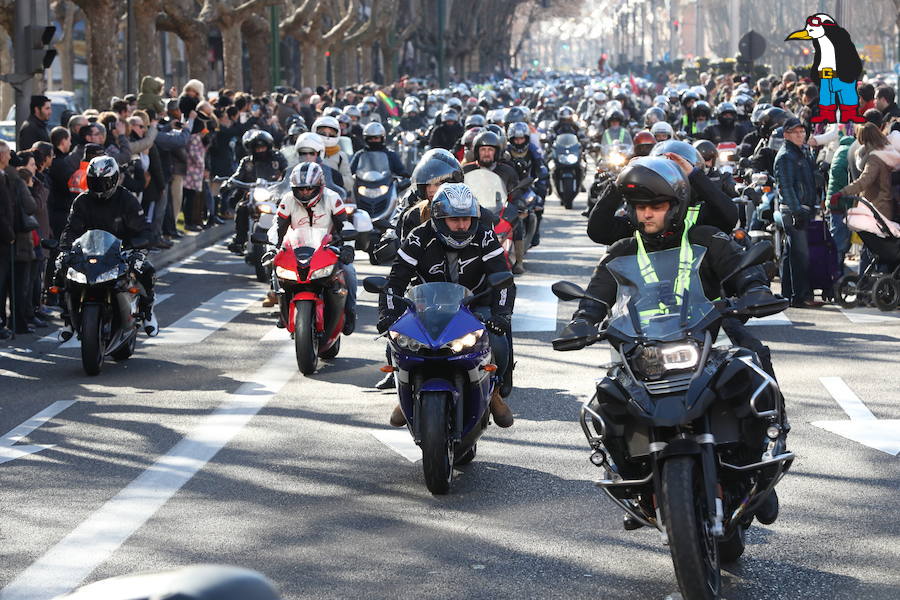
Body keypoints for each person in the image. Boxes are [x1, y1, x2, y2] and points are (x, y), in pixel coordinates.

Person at [558, 157, 784, 525]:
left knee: (751, 365)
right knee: (607, 398)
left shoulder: (707, 238)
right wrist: (582, 321)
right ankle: (634, 480)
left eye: (656, 207)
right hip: (643, 349)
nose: (646, 215)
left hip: (704, 342)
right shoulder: (620, 252)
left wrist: (754, 289)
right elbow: (596, 297)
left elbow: (741, 271)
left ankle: (759, 465)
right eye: (639, 207)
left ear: (676, 205)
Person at [377, 182, 516, 428]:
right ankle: (404, 392)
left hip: (476, 307)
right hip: (426, 307)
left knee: (499, 343)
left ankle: (493, 391)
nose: (462, 225)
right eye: (455, 219)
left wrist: (501, 315)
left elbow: (504, 281)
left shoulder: (485, 235)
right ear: (440, 218)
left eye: (466, 218)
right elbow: (394, 282)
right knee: (396, 341)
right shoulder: (418, 237)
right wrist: (388, 315)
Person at [58, 156, 157, 339]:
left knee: (146, 269)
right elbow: (71, 229)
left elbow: (143, 229)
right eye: (95, 182)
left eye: (104, 182)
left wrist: (137, 246)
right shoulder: (82, 201)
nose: (100, 186)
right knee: (63, 272)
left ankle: (147, 310)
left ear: (114, 179)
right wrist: (64, 250)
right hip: (89, 253)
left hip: (121, 252)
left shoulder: (126, 199)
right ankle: (68, 318)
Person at [587, 141, 738, 245]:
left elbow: (729, 216)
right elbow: (598, 230)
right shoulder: (640, 218)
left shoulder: (703, 217)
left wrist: (693, 174)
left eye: (659, 207)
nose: (649, 214)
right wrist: (621, 180)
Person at [274, 161, 357, 334]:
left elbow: (345, 226)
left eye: (309, 188)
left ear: (319, 186)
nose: (305, 192)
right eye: (300, 188)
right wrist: (272, 248)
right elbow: (277, 227)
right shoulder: (288, 199)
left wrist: (348, 247)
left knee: (349, 272)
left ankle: (350, 312)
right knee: (275, 269)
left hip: (328, 249)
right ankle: (282, 310)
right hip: (295, 249)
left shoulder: (333, 197)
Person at [773, 117, 820, 308]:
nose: (801, 135)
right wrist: (797, 211)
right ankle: (800, 296)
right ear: (786, 135)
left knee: (791, 253)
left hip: (803, 209)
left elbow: (809, 178)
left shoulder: (802, 152)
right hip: (793, 211)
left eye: (802, 131)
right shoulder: (785, 156)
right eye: (796, 132)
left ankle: (789, 294)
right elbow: (786, 187)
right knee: (801, 255)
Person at [226, 130, 287, 254]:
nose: (260, 150)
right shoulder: (247, 161)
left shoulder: (277, 157)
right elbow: (237, 176)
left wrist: (286, 181)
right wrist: (228, 183)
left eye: (263, 147)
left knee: (286, 208)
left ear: (268, 147)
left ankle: (287, 239)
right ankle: (240, 240)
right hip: (253, 194)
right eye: (257, 148)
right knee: (241, 207)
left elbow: (287, 171)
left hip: (275, 195)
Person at [312, 116, 352, 189]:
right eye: (323, 132)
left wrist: (335, 176)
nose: (327, 136)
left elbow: (349, 183)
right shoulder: (308, 150)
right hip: (308, 191)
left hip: (331, 194)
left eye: (331, 133)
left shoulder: (341, 156)